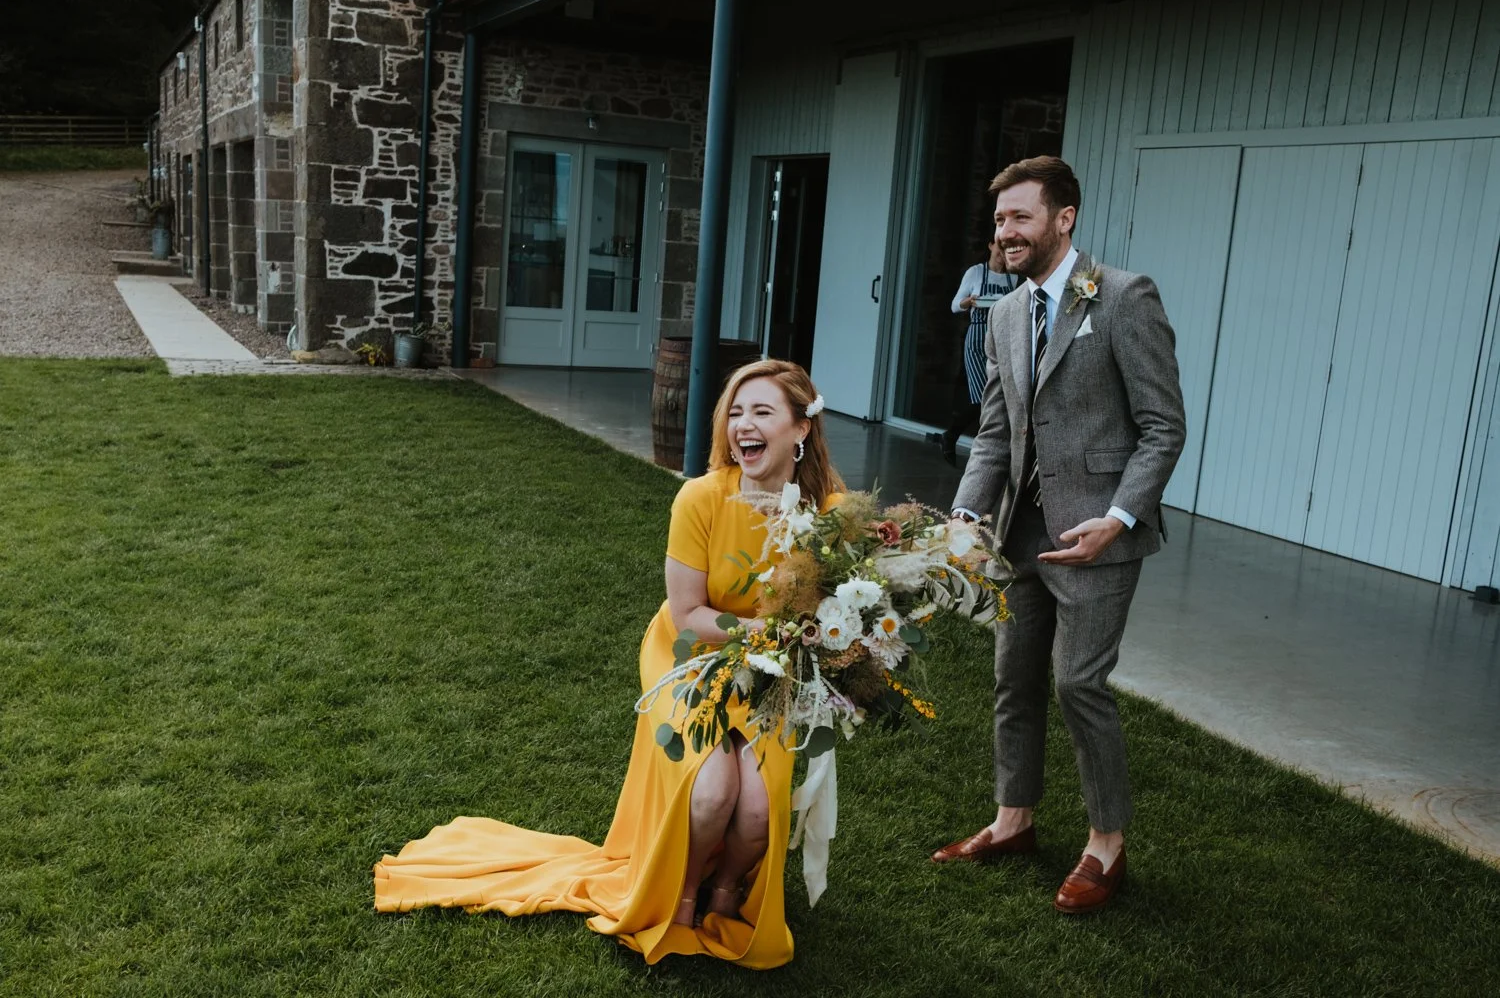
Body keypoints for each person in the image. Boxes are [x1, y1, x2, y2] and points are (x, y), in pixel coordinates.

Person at [374, 359, 845, 969]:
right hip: (694, 655)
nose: (742, 426)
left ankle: (726, 890)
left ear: (800, 429)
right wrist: (763, 630)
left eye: (761, 413)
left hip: (772, 674)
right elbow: (687, 613)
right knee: (712, 793)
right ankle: (675, 892)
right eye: (735, 411)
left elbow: (847, 603)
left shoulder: (831, 509)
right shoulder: (701, 497)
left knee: (756, 812)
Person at [933, 156, 1186, 915]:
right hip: (1022, 535)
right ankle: (1014, 821)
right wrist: (966, 515)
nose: (1004, 232)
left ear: (1063, 218)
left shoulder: (1123, 298)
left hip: (1099, 536)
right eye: (1000, 220)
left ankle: (1106, 844)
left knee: (1078, 684)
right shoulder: (1005, 312)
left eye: (1019, 218)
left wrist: (1118, 519)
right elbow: (994, 434)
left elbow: (1163, 428)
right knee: (1014, 678)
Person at [941, 237, 1018, 465]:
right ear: (990, 246)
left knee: (998, 396)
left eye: (1006, 250)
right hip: (976, 340)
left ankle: (982, 447)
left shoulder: (1013, 278)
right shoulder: (975, 273)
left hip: (1002, 340)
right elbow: (955, 305)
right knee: (982, 396)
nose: (1001, 253)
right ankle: (961, 439)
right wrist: (969, 302)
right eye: (999, 247)